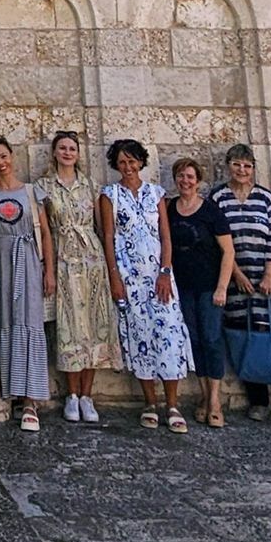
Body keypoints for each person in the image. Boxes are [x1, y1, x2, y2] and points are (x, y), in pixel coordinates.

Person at [98, 139, 193, 432]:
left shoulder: (156, 194)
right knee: (139, 336)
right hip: (129, 277)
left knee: (168, 332)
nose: (128, 167)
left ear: (141, 162)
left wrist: (165, 271)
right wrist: (114, 276)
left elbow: (165, 235)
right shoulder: (109, 195)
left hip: (158, 276)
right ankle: (150, 402)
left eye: (132, 161)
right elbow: (109, 237)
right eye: (122, 162)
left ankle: (173, 403)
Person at [212, 144, 271, 428]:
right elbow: (218, 240)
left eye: (247, 166)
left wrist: (269, 273)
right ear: (228, 166)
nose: (242, 171)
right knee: (248, 336)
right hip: (236, 278)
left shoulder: (265, 198)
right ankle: (259, 401)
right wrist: (236, 275)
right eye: (237, 165)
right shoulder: (219, 198)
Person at [0, 136, 54, 430]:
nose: (0, 162)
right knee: (3, 321)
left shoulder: (32, 193)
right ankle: (11, 392)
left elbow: (45, 232)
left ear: (12, 156)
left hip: (28, 259)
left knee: (29, 321)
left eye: (4, 156)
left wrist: (49, 271)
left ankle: (31, 399)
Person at [39, 130, 117, 424]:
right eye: (63, 147)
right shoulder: (44, 187)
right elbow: (45, 231)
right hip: (63, 259)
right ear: (55, 152)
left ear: (78, 154)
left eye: (72, 148)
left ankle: (88, 394)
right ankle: (71, 395)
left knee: (95, 324)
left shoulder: (92, 186)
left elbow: (101, 227)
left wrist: (110, 269)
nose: (68, 152)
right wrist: (48, 268)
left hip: (91, 261)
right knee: (70, 326)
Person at [166, 157, 235, 428]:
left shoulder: (210, 211)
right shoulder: (170, 208)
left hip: (209, 287)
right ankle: (204, 397)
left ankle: (215, 400)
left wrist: (222, 287)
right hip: (182, 287)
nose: (185, 181)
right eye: (181, 176)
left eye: (190, 177)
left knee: (211, 339)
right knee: (193, 340)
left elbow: (228, 251)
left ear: (198, 180)